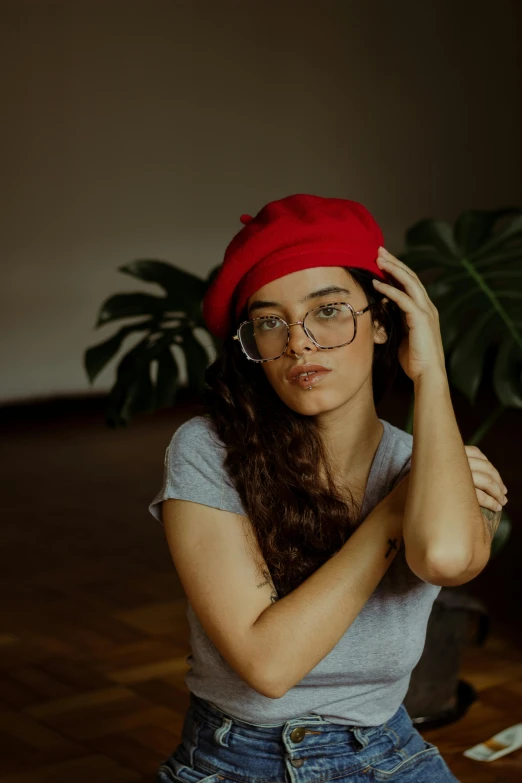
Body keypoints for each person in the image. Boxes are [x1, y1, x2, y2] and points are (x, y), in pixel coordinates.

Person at [148, 194, 507, 783]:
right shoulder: (207, 449)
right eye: (270, 322)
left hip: (390, 753)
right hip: (238, 761)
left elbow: (443, 556)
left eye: (330, 310)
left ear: (386, 322)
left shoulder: (429, 468)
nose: (299, 342)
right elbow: (268, 665)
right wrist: (395, 510)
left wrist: (432, 372)